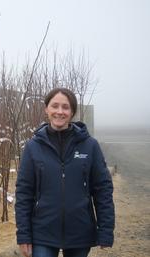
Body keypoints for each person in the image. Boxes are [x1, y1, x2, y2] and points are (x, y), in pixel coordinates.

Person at [15, 88, 115, 257]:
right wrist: (23, 235)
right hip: (42, 232)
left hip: (80, 231)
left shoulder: (90, 146)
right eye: (55, 106)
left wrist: (106, 230)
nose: (59, 111)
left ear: (72, 111)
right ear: (47, 109)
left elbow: (103, 190)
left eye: (65, 107)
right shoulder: (33, 147)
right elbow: (24, 192)